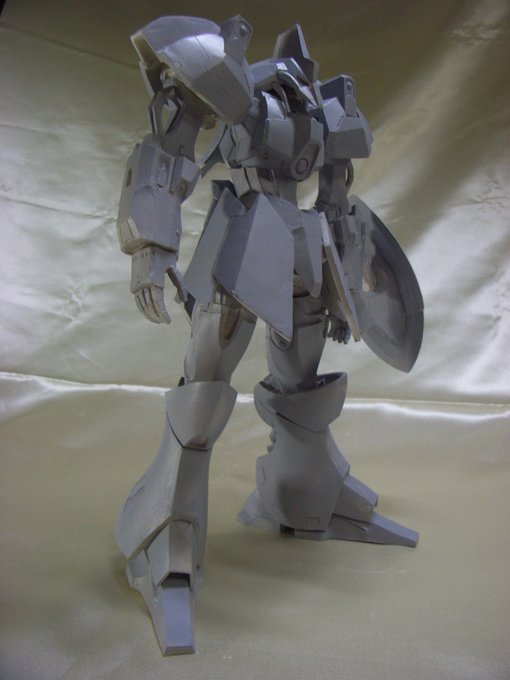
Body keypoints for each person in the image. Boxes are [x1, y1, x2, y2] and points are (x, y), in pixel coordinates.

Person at [115, 15, 423, 655]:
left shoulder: (326, 108)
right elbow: (171, 146)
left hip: (306, 244)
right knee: (203, 391)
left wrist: (343, 283)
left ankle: (304, 498)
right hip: (245, 232)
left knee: (300, 384)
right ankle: (166, 545)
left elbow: (337, 196)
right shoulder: (243, 91)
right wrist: (150, 243)